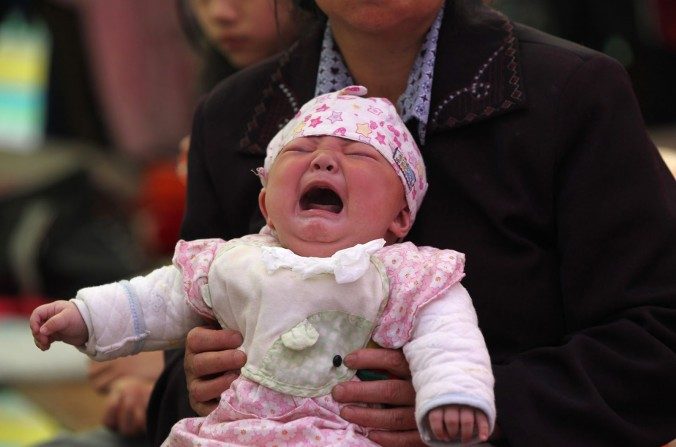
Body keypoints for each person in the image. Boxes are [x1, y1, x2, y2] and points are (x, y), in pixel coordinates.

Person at [149, 1, 676, 446]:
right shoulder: (231, 116)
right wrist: (196, 382)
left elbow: (659, 340)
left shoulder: (574, 94)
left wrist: (471, 405)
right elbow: (180, 354)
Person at [31, 86, 496, 446]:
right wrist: (84, 316)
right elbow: (154, 299)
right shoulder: (236, 262)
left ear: (401, 217)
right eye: (299, 151)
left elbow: (450, 342)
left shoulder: (407, 277)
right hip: (230, 434)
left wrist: (454, 399)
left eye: (357, 154)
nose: (325, 160)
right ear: (266, 204)